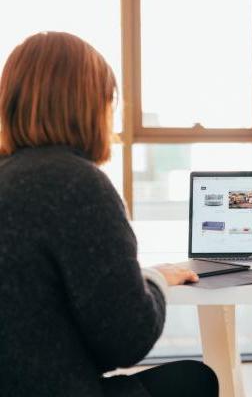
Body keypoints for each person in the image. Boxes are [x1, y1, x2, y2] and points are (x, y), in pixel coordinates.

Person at [0, 32, 217, 397]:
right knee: (196, 381)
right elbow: (126, 341)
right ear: (89, 105)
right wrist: (154, 282)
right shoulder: (77, 184)